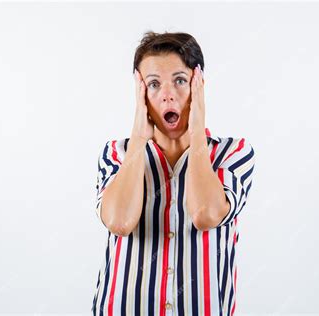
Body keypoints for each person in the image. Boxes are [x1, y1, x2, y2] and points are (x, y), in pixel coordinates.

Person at [91, 31, 256, 316]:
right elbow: (119, 221)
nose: (167, 94)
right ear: (140, 93)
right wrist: (138, 136)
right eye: (153, 84)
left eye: (180, 80)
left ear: (198, 84)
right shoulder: (117, 154)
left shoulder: (233, 153)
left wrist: (197, 129)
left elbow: (206, 214)